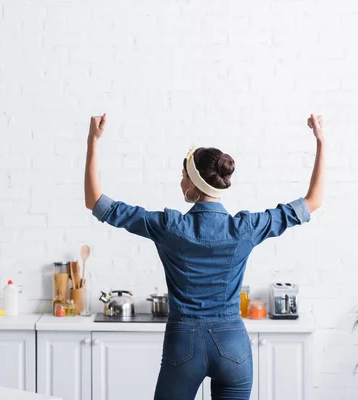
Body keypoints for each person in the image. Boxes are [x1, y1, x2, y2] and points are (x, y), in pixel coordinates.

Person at [84, 113, 325, 400]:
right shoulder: (245, 229)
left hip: (183, 343)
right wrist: (321, 142)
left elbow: (96, 202)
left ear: (194, 184)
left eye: (184, 175)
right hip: (233, 346)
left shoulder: (169, 227)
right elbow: (313, 201)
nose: (181, 180)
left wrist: (93, 141)